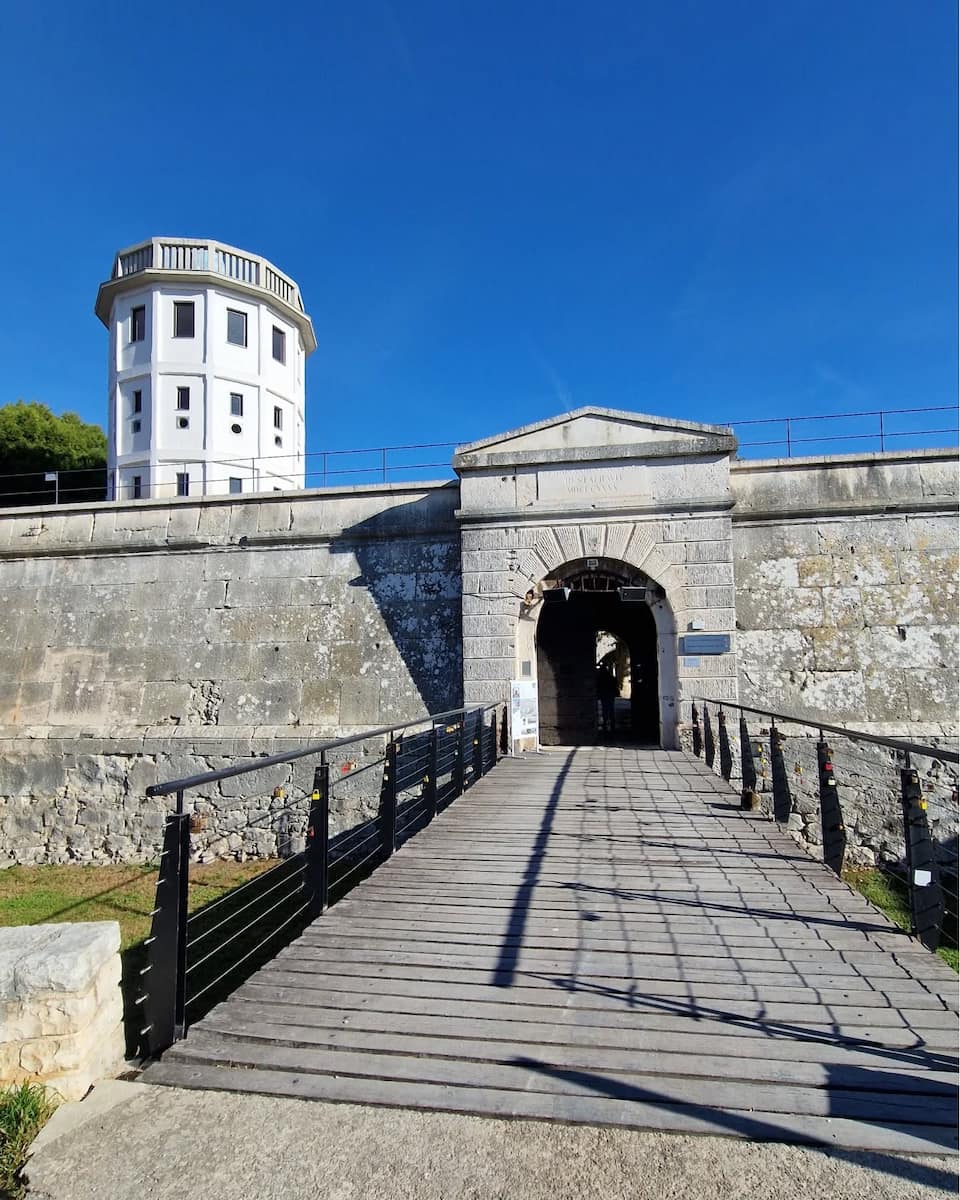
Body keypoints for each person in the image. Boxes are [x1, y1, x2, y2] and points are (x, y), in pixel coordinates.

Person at [596, 664, 617, 734]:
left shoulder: (600, 678)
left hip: (604, 695)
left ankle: (606, 723)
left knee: (605, 709)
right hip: (610, 695)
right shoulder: (610, 677)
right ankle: (611, 724)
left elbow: (598, 685)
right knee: (611, 709)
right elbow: (615, 683)